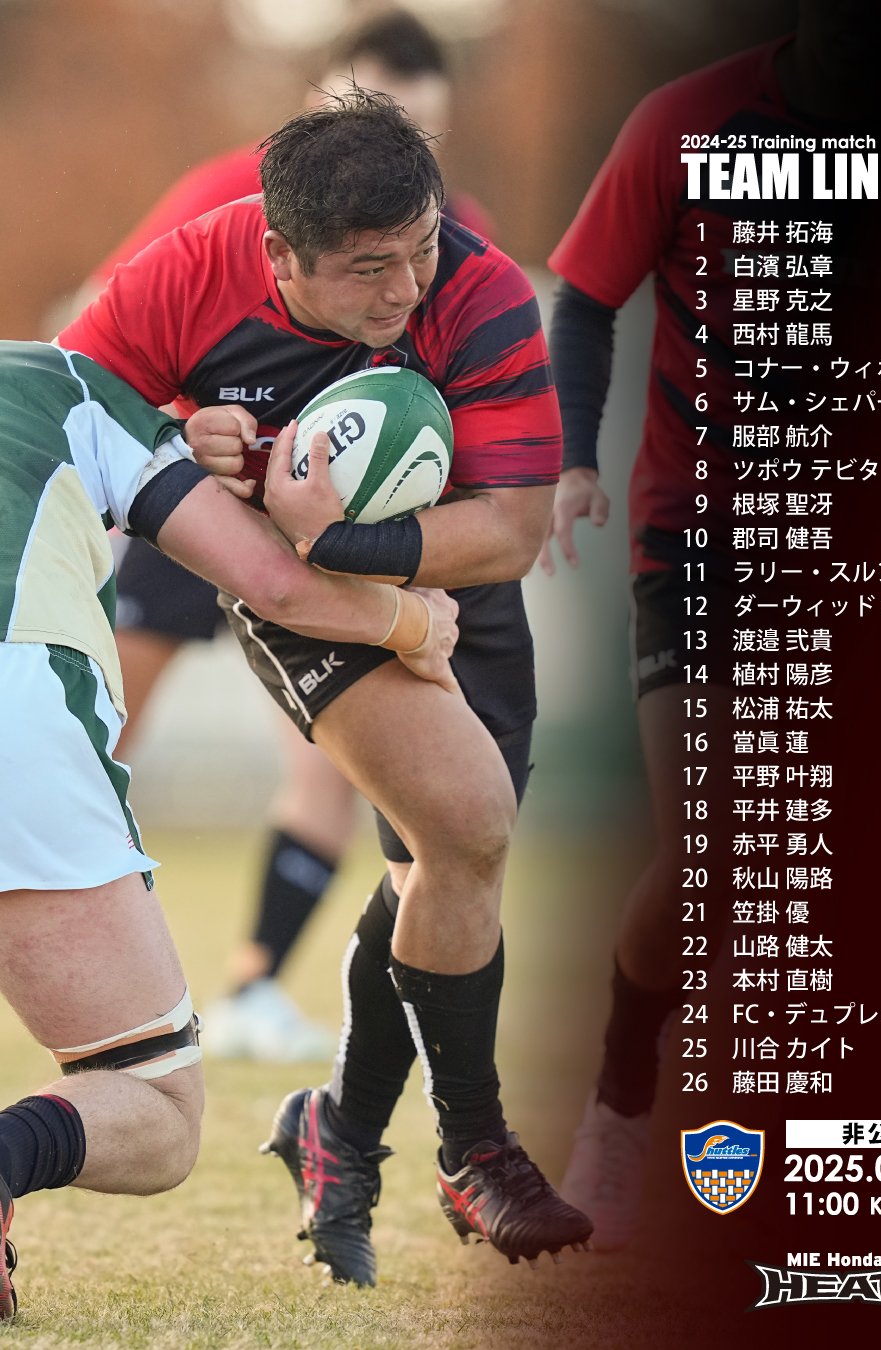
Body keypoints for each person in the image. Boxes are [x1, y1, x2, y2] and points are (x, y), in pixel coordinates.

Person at [58, 88, 592, 1284]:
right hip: (298, 600)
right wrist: (171, 439)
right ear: (281, 255)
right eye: (368, 268)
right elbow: (68, 426)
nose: (406, 290)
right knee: (466, 824)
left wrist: (337, 534)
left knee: (450, 868)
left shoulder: (480, 288)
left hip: (457, 583)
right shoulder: (186, 274)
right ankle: (477, 1151)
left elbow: (511, 529)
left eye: (420, 249)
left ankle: (336, 1131)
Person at [542, 2, 881, 1252]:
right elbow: (586, 297)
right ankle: (622, 1100)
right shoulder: (686, 124)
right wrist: (574, 461)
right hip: (701, 543)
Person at [0, 339, 458, 1320]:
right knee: (155, 1105)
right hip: (21, 730)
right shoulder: (68, 381)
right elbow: (276, 584)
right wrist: (417, 624)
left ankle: (257, 980)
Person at [89, 6, 496, 1064]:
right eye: (377, 111)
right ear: (321, 103)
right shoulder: (229, 196)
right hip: (197, 507)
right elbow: (106, 351)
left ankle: (256, 986)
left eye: (421, 126)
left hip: (336, 536)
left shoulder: (452, 241)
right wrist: (184, 434)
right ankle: (61, 932)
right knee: (102, 730)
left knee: (328, 760)